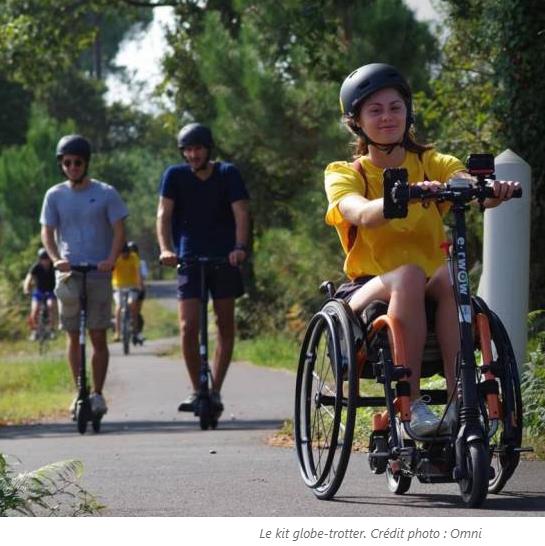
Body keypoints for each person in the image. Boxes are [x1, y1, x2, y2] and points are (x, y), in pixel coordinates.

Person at [325, 63, 520, 435]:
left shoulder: (431, 161)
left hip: (430, 284)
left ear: (408, 111)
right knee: (410, 274)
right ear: (356, 121)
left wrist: (490, 191)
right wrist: (398, 198)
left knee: (450, 275)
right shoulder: (345, 172)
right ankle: (410, 405)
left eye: (395, 107)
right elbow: (358, 212)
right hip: (368, 287)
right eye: (375, 110)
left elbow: (460, 179)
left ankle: (461, 403)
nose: (387, 117)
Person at [156, 122, 250, 414]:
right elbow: (163, 214)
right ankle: (198, 389)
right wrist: (165, 249)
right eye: (188, 149)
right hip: (189, 257)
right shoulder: (175, 175)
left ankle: (216, 390)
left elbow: (241, 213)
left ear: (208, 150)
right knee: (188, 326)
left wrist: (239, 248)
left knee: (224, 324)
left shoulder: (227, 174)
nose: (193, 154)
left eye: (198, 148)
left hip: (224, 258)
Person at [40, 134, 127, 417]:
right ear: (61, 164)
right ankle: (79, 390)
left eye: (78, 162)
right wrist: (56, 260)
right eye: (67, 162)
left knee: (98, 335)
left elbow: (119, 230)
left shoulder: (106, 193)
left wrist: (110, 260)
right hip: (69, 273)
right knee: (72, 334)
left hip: (98, 272)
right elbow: (47, 232)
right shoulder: (54, 195)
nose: (73, 167)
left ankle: (98, 394)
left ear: (86, 163)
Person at [112, 241, 144, 345]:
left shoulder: (134, 257)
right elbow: (111, 270)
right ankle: (117, 332)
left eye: (126, 253)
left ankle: (135, 330)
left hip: (132, 285)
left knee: (132, 304)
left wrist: (139, 285)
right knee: (118, 306)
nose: (124, 255)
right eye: (123, 253)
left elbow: (138, 271)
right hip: (118, 286)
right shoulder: (116, 257)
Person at [23, 248, 58, 339]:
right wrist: (26, 289)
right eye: (43, 259)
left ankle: (51, 330)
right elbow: (28, 278)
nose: (45, 261)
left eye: (47, 259)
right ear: (40, 260)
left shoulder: (54, 267)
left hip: (51, 292)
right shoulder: (36, 267)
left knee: (51, 306)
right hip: (39, 292)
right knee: (34, 310)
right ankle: (34, 331)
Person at [127, 240, 147, 341]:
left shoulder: (141, 263)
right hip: (124, 288)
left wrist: (140, 287)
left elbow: (143, 277)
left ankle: (138, 332)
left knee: (137, 312)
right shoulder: (122, 260)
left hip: (138, 289)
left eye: (133, 251)